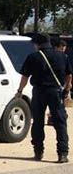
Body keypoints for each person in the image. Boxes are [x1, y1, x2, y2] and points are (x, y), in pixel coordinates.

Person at [15, 33, 72, 163]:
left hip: (39, 92)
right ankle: (62, 154)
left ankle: (38, 151)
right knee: (60, 123)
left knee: (38, 123)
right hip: (56, 92)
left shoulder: (33, 57)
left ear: (38, 44)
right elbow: (69, 75)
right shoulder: (62, 56)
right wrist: (67, 89)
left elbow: (25, 77)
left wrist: (20, 91)